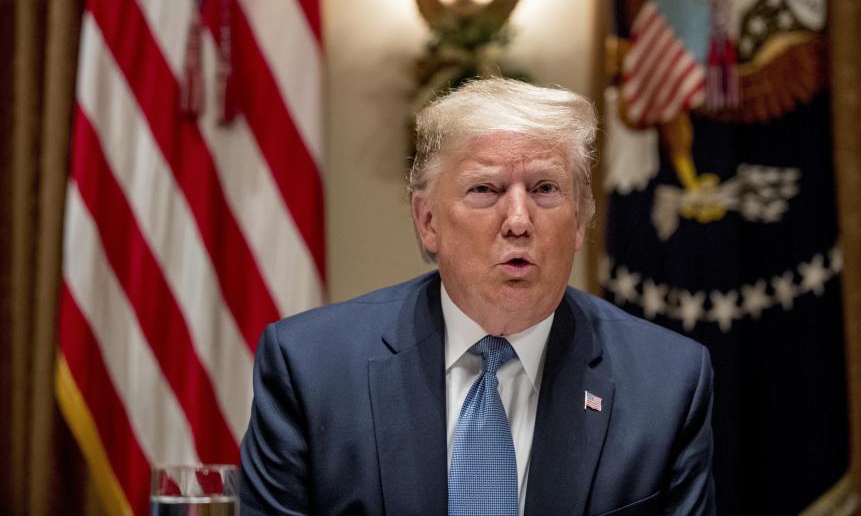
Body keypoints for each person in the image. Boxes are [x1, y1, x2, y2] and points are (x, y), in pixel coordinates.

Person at [240, 78, 716, 515]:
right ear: (428, 221)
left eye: (545, 188)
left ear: (580, 219)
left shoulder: (667, 384)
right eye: (485, 189)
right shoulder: (309, 369)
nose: (518, 220)